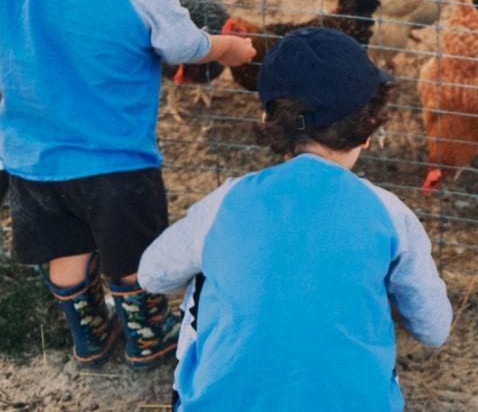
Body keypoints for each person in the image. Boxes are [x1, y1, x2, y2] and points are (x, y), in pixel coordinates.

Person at [0, 0, 256, 369]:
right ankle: (148, 336)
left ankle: (90, 337)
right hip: (116, 165)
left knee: (64, 254)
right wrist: (229, 49)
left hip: (32, 159)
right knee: (133, 260)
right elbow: (185, 45)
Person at [138, 26, 453, 410]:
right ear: (368, 128)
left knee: (203, 276)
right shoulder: (390, 214)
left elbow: (151, 274)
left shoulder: (225, 202)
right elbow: (434, 329)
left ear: (267, 118)